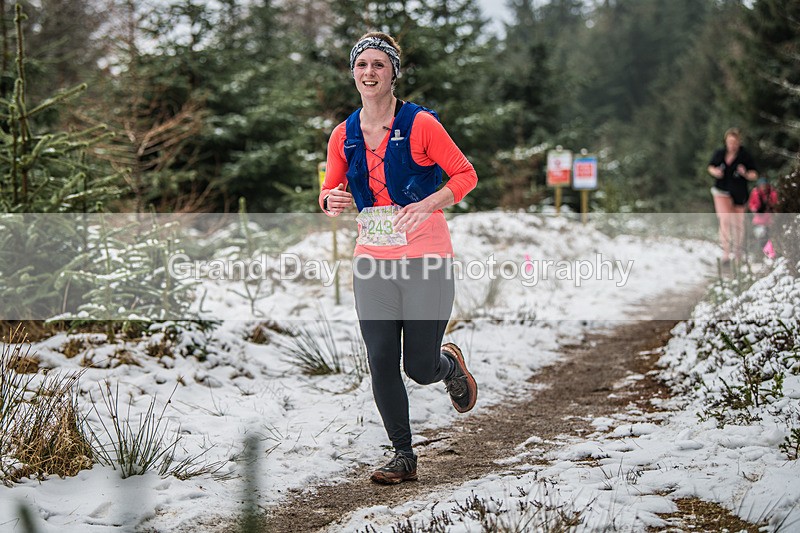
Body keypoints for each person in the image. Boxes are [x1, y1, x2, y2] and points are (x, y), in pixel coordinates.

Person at [319, 32, 479, 484]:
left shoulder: (421, 124)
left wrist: (429, 203)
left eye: (379, 65)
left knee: (419, 367)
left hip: (426, 258)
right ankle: (403, 456)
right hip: (373, 260)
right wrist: (331, 201)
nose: (369, 73)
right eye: (362, 65)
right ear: (353, 73)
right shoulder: (343, 135)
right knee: (382, 360)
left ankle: (448, 365)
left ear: (393, 73)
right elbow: (330, 190)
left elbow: (466, 175)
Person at [707, 128, 759, 265]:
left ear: (739, 142)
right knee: (724, 220)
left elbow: (755, 174)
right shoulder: (720, 153)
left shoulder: (745, 155)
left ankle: (737, 254)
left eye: (734, 142)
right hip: (721, 191)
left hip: (739, 193)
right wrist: (716, 172)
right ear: (726, 142)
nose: (732, 145)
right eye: (729, 142)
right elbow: (710, 167)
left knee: (738, 224)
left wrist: (745, 173)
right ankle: (725, 253)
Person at [748, 176, 779, 254]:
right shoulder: (755, 193)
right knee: (761, 238)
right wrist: (756, 209)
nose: (763, 188)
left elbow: (776, 204)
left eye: (765, 185)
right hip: (759, 221)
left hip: (770, 220)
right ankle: (761, 253)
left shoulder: (772, 193)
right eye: (762, 186)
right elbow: (752, 205)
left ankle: (771, 253)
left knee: (771, 237)